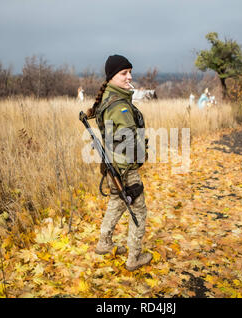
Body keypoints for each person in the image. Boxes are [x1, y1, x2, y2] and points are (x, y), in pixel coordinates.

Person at [85, 54, 152, 271]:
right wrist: (142, 151)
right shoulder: (119, 106)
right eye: (124, 73)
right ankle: (134, 257)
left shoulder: (110, 99)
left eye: (130, 72)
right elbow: (127, 141)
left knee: (116, 202)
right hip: (123, 168)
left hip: (114, 166)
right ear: (112, 76)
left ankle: (104, 243)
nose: (129, 76)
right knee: (139, 211)